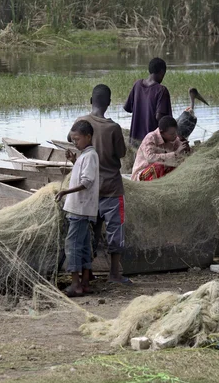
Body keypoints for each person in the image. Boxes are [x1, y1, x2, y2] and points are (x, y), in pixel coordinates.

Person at [73, 84, 131, 285]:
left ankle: (87, 274)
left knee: (90, 232)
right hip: (112, 189)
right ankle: (114, 274)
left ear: (91, 100)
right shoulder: (113, 128)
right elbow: (122, 154)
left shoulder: (81, 123)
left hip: (89, 190)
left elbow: (71, 139)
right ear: (108, 102)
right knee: (116, 230)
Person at [55, 120, 100, 297]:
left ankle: (76, 285)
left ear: (88, 137)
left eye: (77, 139)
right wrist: (75, 161)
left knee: (72, 245)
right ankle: (85, 282)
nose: (75, 142)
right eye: (73, 139)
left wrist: (66, 190)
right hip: (82, 208)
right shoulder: (85, 155)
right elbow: (84, 175)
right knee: (83, 245)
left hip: (79, 209)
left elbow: (87, 182)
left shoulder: (90, 156)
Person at [124, 57, 172, 146]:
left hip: (135, 140)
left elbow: (127, 108)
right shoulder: (161, 90)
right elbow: (160, 118)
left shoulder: (137, 84)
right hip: (152, 142)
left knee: (138, 160)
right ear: (162, 72)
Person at [131, 116, 188, 181]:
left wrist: (184, 148)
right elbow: (150, 158)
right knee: (159, 166)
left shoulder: (174, 139)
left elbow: (181, 154)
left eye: (176, 132)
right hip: (142, 174)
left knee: (182, 163)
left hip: (162, 171)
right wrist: (176, 154)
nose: (175, 135)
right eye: (172, 134)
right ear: (162, 132)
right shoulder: (150, 137)